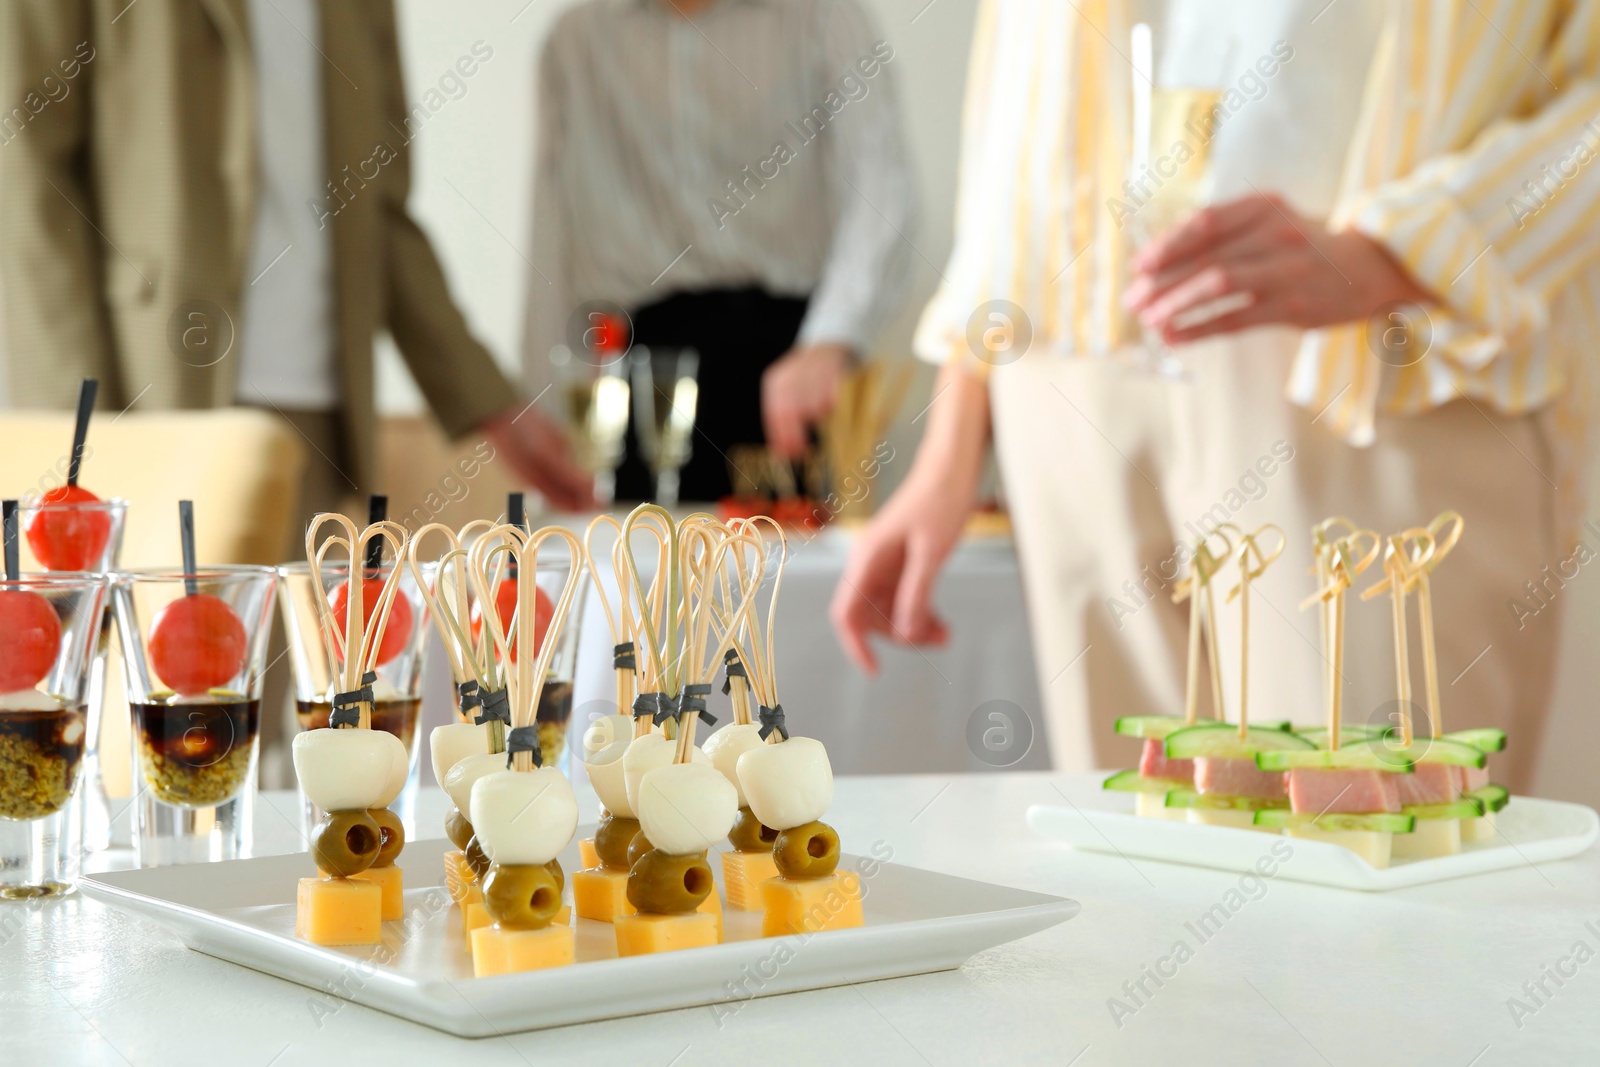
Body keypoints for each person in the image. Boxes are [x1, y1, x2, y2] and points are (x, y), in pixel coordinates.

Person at [831, 0, 1600, 793]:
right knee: (1133, 875)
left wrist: (1402, 251)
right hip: (1064, 368)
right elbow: (1015, 74)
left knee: (1385, 869)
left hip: (1374, 364)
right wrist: (954, 430)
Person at [1, 0, 594, 520]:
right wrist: (82, 436)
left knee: (291, 648)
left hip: (319, 418)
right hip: (154, 398)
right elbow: (24, 172)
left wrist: (487, 400)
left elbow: (381, 213)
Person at [523, 0, 915, 501]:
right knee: (644, 571)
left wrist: (831, 340)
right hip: (642, 373)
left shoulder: (822, 17)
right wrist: (547, 410)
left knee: (788, 573)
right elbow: (552, 229)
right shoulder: (575, 40)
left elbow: (882, 185)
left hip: (788, 365)